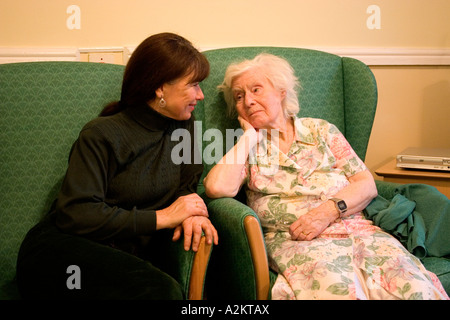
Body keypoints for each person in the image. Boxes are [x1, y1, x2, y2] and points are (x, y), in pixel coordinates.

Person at [203, 53, 448, 300]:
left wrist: (327, 212)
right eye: (239, 96)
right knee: (338, 292)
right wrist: (248, 138)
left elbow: (365, 183)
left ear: (281, 92)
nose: (248, 101)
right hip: (298, 243)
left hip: (359, 232)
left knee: (415, 289)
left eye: (256, 90)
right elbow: (216, 188)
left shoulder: (321, 130)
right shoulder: (247, 149)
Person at [16, 32, 218, 300]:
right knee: (161, 291)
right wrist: (163, 217)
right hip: (64, 248)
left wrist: (191, 211)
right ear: (160, 88)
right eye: (192, 85)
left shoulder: (185, 126)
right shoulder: (102, 134)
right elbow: (77, 213)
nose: (200, 95)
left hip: (123, 253)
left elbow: (185, 187)